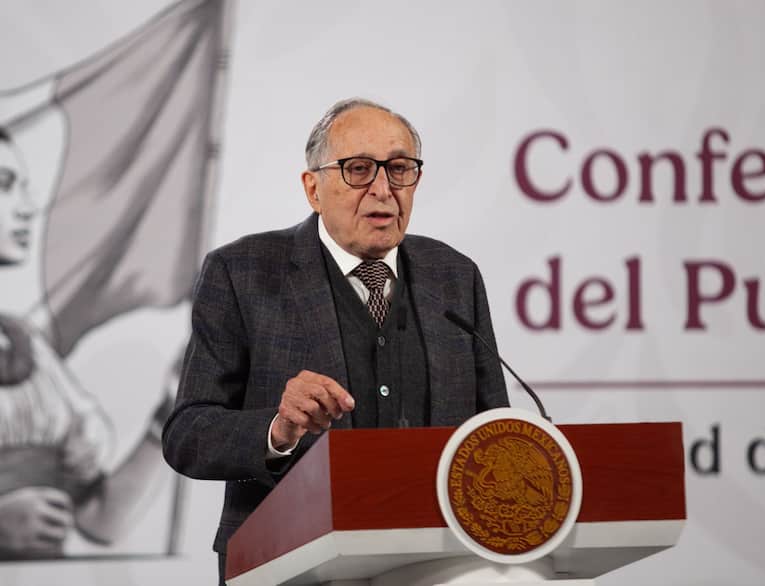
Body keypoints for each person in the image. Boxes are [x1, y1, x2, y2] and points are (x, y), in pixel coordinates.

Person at [161, 98, 509, 584]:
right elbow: (187, 435)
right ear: (313, 188)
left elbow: (493, 431)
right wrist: (277, 431)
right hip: (290, 562)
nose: (383, 190)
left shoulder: (454, 276)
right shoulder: (242, 272)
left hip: (438, 563)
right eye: (359, 169)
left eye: (400, 169)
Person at [0, 128, 175, 558]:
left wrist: (170, 413)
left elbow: (99, 522)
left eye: (25, 188)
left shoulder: (29, 348)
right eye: (4, 185)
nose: (27, 208)